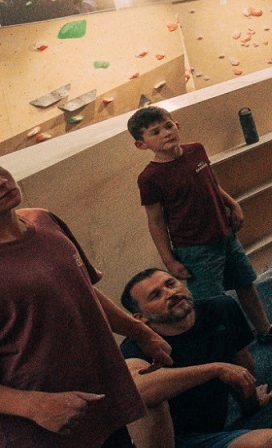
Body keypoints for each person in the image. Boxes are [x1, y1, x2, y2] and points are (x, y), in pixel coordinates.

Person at [0, 164, 174, 448]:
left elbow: (82, 290)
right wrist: (33, 406)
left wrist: (140, 332)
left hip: (102, 410)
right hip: (40, 433)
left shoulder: (44, 220)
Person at [127, 108, 272, 347]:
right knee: (209, 302)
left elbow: (210, 183)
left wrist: (232, 203)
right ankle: (225, 352)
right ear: (141, 144)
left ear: (177, 125)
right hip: (195, 248)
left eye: (168, 126)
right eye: (155, 132)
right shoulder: (149, 178)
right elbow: (155, 220)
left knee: (244, 283)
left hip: (225, 234)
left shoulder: (196, 150)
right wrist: (170, 261)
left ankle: (265, 329)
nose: (165, 134)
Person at [119, 269, 272, 448]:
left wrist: (251, 402)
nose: (171, 293)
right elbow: (138, 390)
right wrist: (215, 369)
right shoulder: (136, 346)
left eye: (170, 284)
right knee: (151, 397)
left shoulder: (221, 308)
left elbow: (241, 362)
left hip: (205, 436)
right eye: (156, 295)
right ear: (140, 318)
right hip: (156, 441)